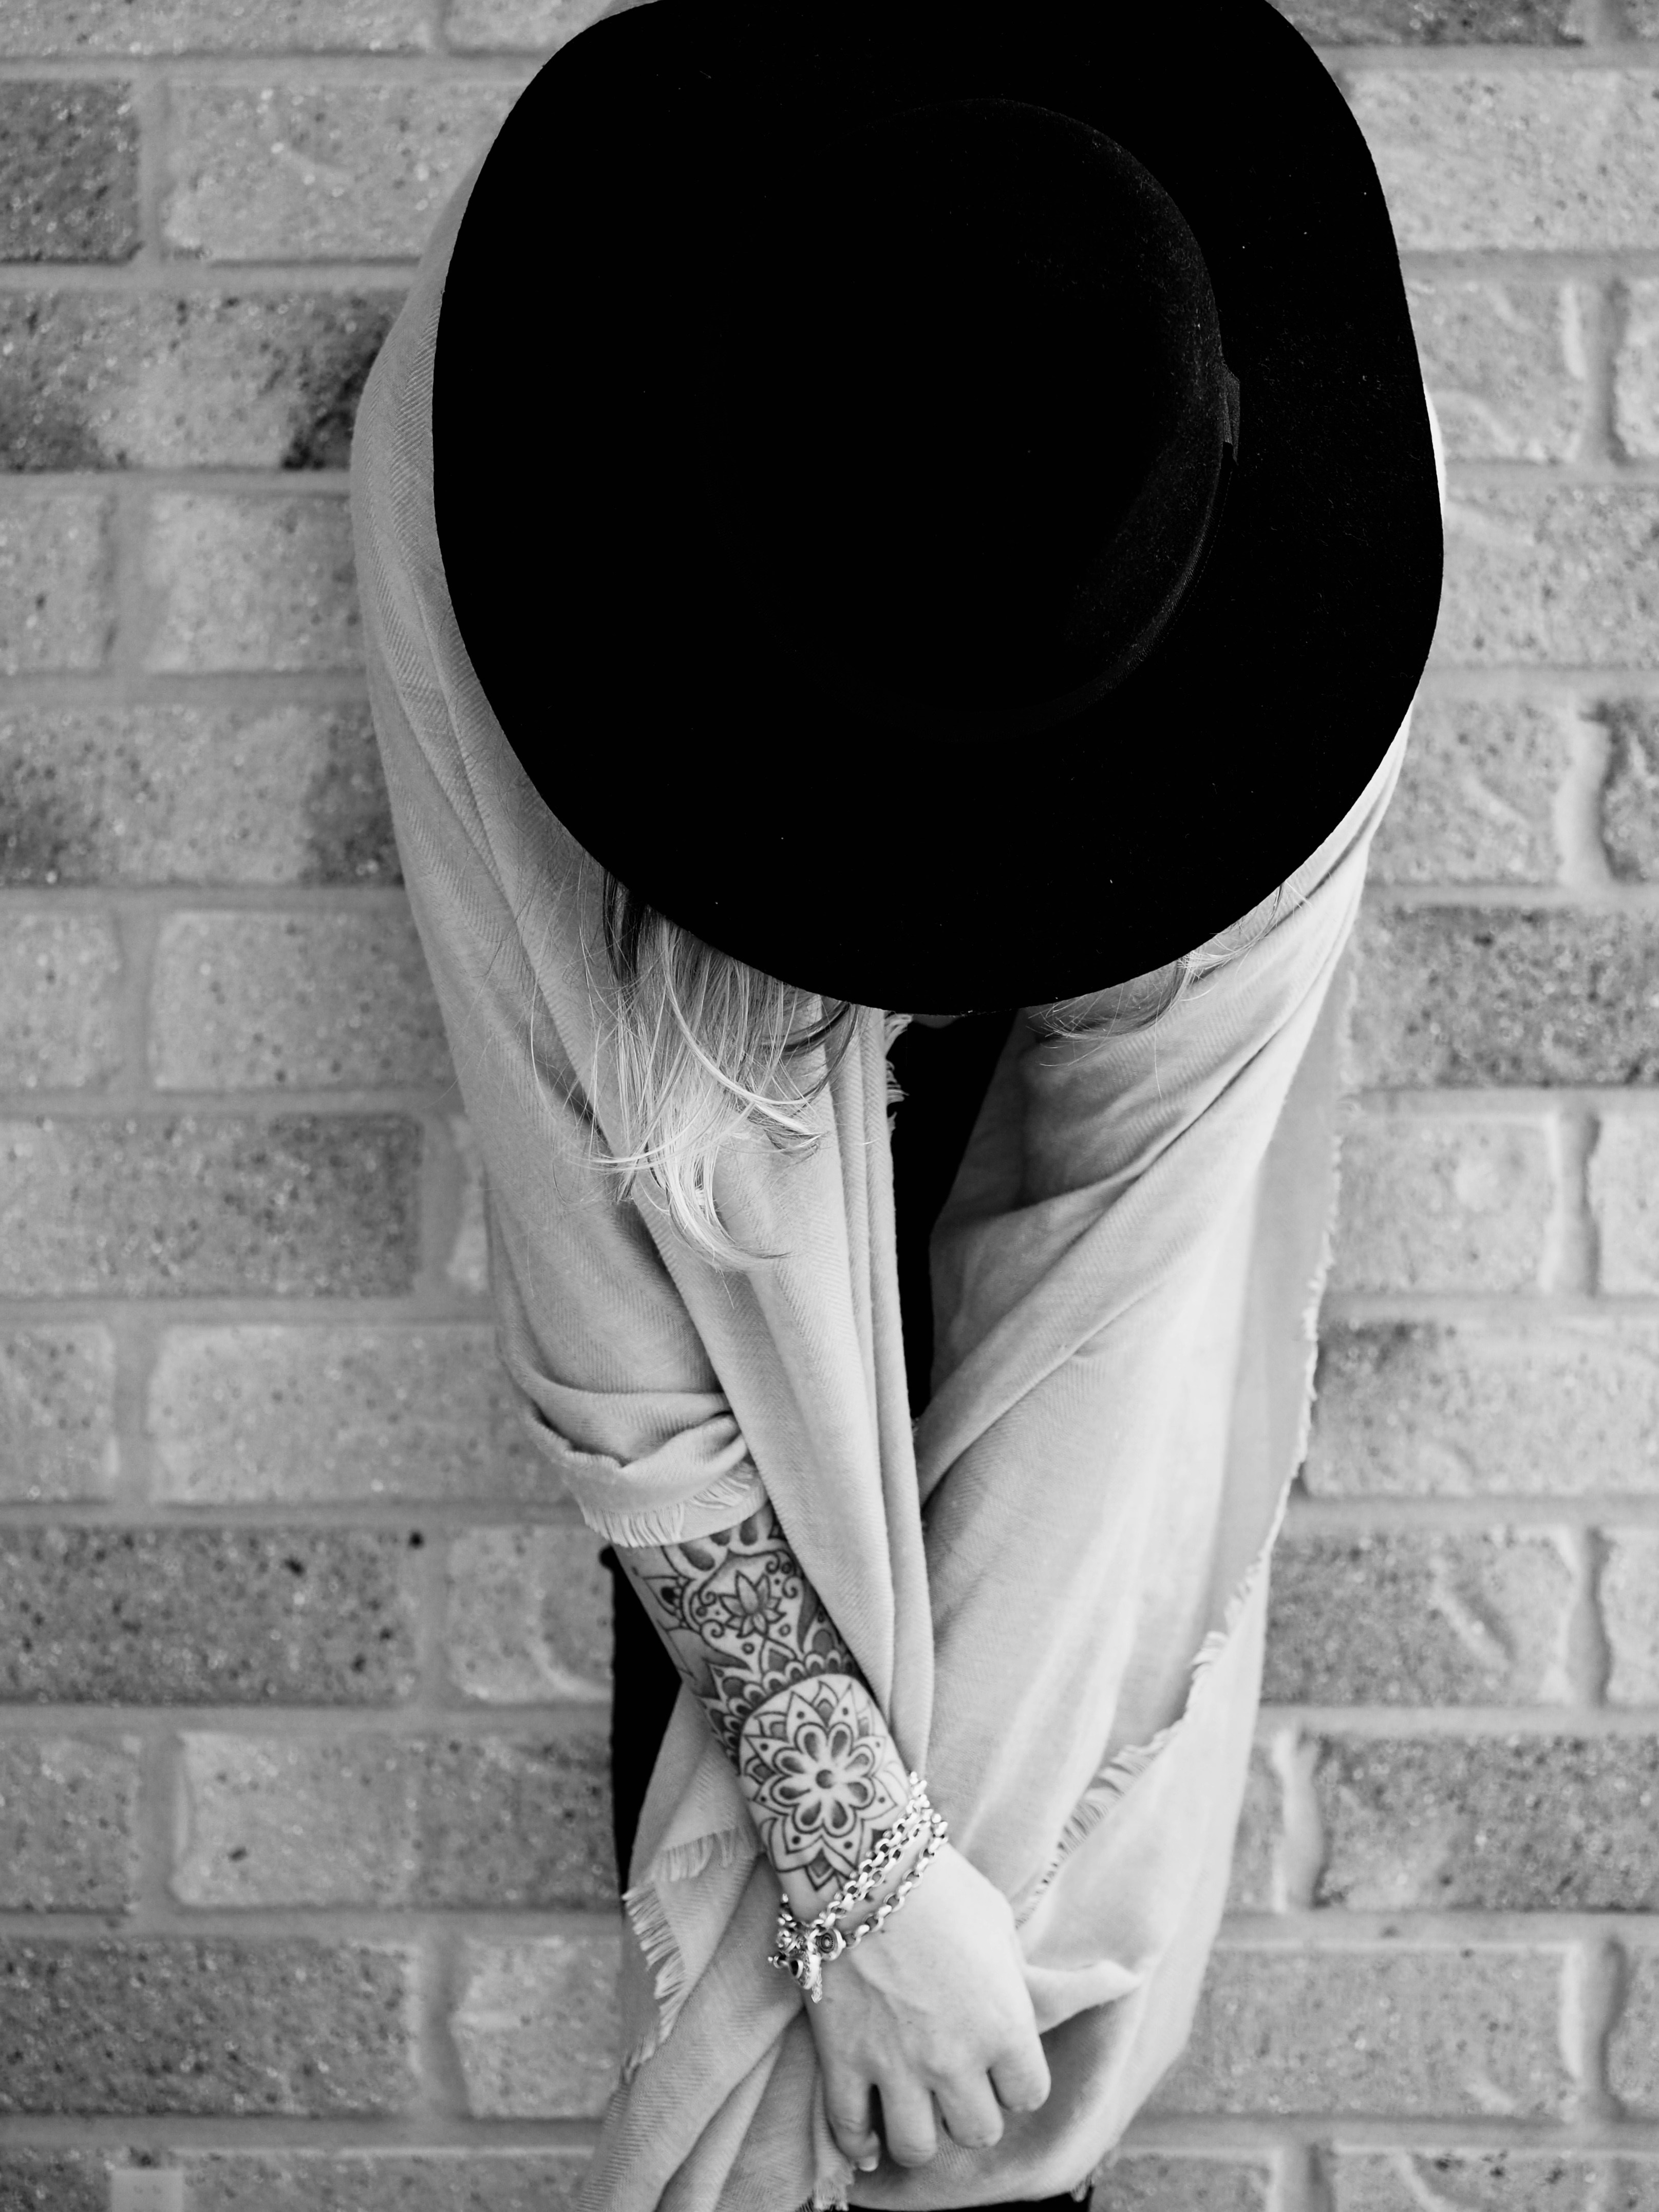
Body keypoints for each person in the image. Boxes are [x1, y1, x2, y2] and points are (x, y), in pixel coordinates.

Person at [348, 1, 1445, 2204]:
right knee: (819, 1828)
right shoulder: (505, 513)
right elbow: (618, 1325)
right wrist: (845, 1848)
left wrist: (952, 1955)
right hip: (720, 1064)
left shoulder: (1273, 564)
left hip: (1130, 770)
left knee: (974, 2008)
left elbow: (1118, 1296)